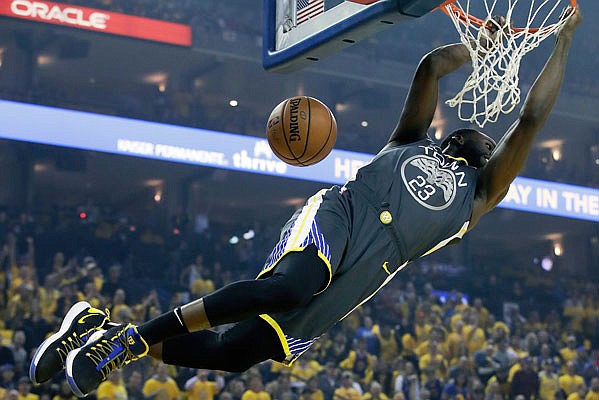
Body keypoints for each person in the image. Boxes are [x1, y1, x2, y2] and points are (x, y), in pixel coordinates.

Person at [29, 7, 582, 398]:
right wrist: (473, 48)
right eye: (480, 137)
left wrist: (562, 41)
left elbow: (531, 120)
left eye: (492, 145)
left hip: (370, 268)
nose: (487, 141)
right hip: (344, 214)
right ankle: (128, 343)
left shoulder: (480, 195)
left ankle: (98, 329)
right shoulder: (412, 141)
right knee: (292, 284)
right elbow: (430, 68)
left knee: (235, 354)